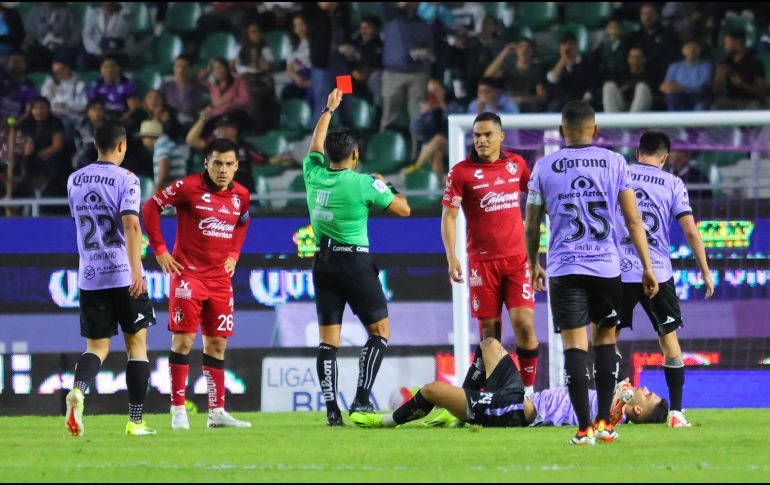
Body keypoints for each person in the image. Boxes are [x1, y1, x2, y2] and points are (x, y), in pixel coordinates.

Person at [524, 100, 659, 445]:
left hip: (564, 267)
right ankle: (604, 424)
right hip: (606, 267)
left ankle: (583, 429)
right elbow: (633, 220)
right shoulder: (615, 162)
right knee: (606, 340)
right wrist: (647, 265)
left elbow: (531, 224)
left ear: (560, 132)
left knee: (574, 346)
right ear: (595, 130)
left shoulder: (543, 167)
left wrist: (532, 263)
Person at [305, 89, 411, 426]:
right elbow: (404, 209)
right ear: (355, 154)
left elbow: (313, 146)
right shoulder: (364, 183)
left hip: (323, 264)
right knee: (379, 332)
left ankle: (332, 411)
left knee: (328, 342)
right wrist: (386, 183)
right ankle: (362, 398)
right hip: (355, 263)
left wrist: (329, 109)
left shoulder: (313, 173)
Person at [142, 138, 252, 430]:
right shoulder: (187, 187)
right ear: (207, 163)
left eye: (229, 164)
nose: (223, 170)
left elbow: (243, 221)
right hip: (187, 275)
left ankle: (216, 412)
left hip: (219, 279)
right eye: (217, 163)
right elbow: (150, 208)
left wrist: (234, 254)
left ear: (237, 166)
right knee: (184, 341)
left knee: (217, 344)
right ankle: (178, 409)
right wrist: (161, 250)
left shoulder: (241, 195)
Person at [441, 111, 539, 417]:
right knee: (489, 337)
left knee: (524, 325)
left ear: (500, 137)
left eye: (487, 135)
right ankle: (494, 398)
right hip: (482, 265)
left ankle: (528, 394)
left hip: (517, 260)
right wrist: (452, 255)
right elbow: (449, 216)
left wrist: (537, 256)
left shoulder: (517, 166)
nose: (481, 140)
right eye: (476, 135)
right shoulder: (461, 173)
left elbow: (537, 200)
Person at [615, 132, 715, 428]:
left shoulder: (620, 173)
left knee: (607, 337)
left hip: (619, 269)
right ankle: (676, 413)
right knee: (669, 342)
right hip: (657, 270)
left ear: (637, 151)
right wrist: (705, 270)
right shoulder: (673, 183)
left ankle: (619, 393)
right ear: (665, 156)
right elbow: (690, 231)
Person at [351, 337, 669, 429]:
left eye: (648, 394)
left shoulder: (612, 418)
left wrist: (620, 392)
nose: (644, 388)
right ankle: (459, 408)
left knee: (433, 390)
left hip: (516, 411)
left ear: (638, 410)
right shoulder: (614, 405)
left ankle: (385, 422)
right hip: (520, 395)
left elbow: (610, 413)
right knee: (489, 344)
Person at [64, 120, 156, 437]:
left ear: (94, 145)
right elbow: (130, 225)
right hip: (122, 272)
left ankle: (78, 389)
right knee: (137, 345)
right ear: (122, 145)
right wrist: (136, 270)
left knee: (97, 347)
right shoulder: (127, 179)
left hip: (90, 275)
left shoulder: (74, 180)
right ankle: (135, 421)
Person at [484, 38, 546, 113]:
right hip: (508, 105)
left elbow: (542, 97)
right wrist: (505, 52)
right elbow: (488, 75)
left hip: (529, 106)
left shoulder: (537, 69)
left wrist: (526, 99)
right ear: (516, 50)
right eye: (521, 47)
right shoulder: (508, 69)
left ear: (532, 51)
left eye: (527, 47)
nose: (524, 50)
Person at [711, 29, 766, 110]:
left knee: (755, 107)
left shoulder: (754, 63)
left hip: (750, 101)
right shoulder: (724, 63)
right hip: (730, 102)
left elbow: (761, 92)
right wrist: (718, 79)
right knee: (716, 106)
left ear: (738, 43)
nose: (725, 46)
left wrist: (741, 84)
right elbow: (715, 92)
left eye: (727, 42)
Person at [136, 119, 189, 194]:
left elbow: (164, 172)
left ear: (149, 136)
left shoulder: (161, 145)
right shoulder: (166, 143)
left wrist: (157, 193)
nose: (143, 142)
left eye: (143, 138)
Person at [545, 33, 593, 112]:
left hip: (581, 102)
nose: (567, 48)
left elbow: (592, 85)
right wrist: (563, 60)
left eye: (570, 44)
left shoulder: (587, 63)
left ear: (576, 46)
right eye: (564, 45)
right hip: (560, 104)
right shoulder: (554, 64)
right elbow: (552, 79)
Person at [660, 39, 712, 111]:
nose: (691, 50)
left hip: (698, 98)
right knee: (672, 97)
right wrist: (666, 87)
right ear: (683, 51)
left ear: (699, 50)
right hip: (679, 97)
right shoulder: (674, 66)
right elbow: (667, 84)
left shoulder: (706, 66)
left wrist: (683, 89)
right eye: (688, 48)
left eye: (694, 47)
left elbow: (703, 88)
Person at [602, 47, 655, 112]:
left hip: (642, 109)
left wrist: (629, 87)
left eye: (638, 57)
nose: (635, 60)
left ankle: (632, 121)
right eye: (632, 57)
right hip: (623, 105)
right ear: (628, 59)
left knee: (642, 87)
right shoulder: (622, 75)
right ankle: (611, 120)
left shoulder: (651, 75)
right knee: (608, 86)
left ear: (644, 59)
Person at [86, 56, 139, 120]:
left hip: (121, 116)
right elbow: (91, 105)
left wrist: (120, 121)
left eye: (113, 67)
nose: (109, 70)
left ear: (119, 68)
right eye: (106, 67)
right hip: (102, 116)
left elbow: (133, 110)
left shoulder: (128, 84)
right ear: (101, 69)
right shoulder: (97, 84)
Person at [159, 55, 204, 127]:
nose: (180, 70)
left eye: (184, 67)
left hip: (187, 122)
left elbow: (188, 109)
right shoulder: (166, 85)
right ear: (173, 68)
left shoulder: (195, 88)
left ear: (190, 69)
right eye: (177, 67)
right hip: (168, 120)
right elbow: (160, 103)